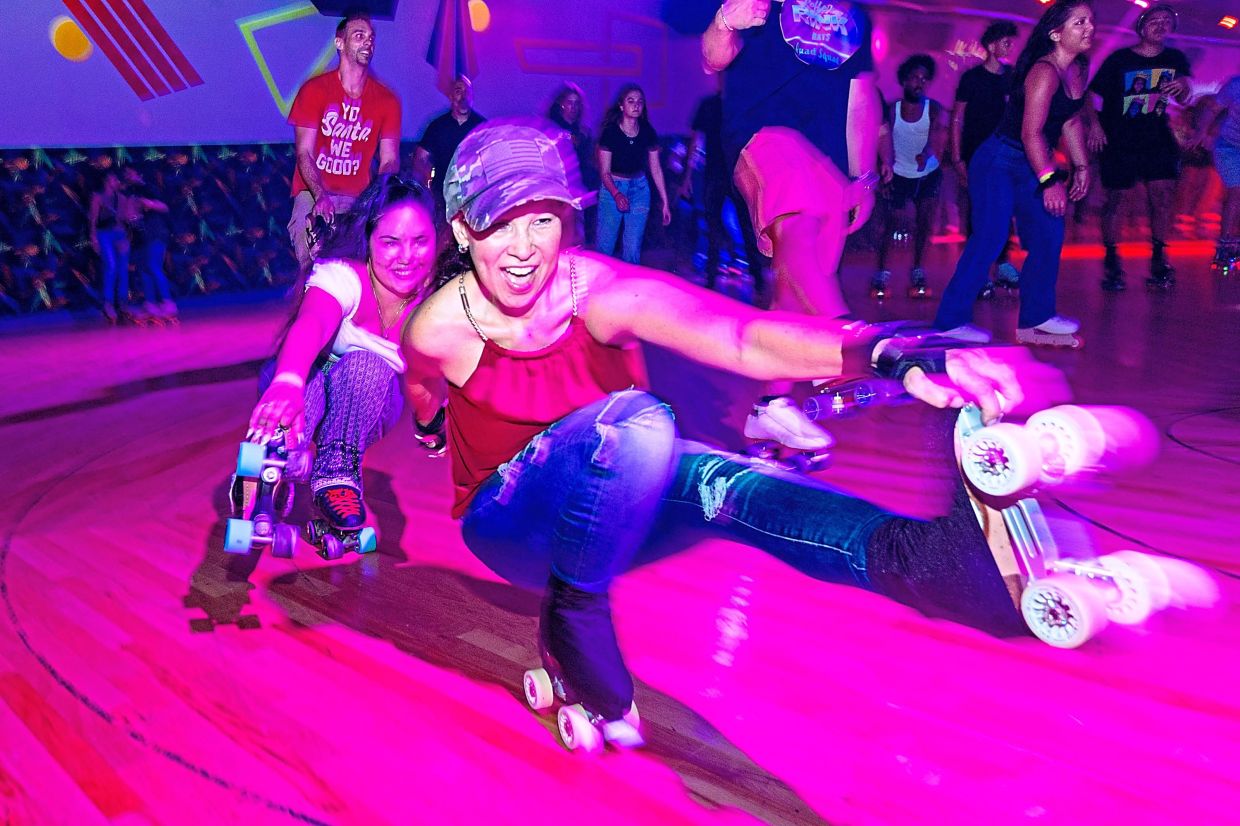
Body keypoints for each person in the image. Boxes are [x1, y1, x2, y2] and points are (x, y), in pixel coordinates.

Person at [398, 119, 1045, 743]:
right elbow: (422, 385)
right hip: (510, 525)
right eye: (499, 224)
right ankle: (574, 613)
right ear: (461, 227)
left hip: (611, 500)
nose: (522, 248)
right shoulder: (438, 327)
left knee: (723, 478)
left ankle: (926, 562)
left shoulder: (598, 291)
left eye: (542, 219)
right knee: (638, 423)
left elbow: (739, 337)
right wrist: (430, 427)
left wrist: (885, 351)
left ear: (567, 223)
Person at [701, 0, 882, 459]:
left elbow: (860, 96)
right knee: (798, 229)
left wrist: (862, 178)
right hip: (762, 135)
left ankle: (770, 406)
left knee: (800, 284)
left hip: (830, 162)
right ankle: (849, 344)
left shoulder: (854, 14)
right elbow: (713, 58)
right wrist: (725, 20)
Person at [247, 175, 436, 531]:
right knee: (312, 373)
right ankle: (282, 456)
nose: (407, 257)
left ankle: (336, 473)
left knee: (367, 364)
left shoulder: (440, 300)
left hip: (367, 407)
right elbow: (312, 325)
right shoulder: (344, 276)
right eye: (391, 242)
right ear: (369, 240)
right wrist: (288, 382)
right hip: (301, 393)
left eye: (420, 242)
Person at [933, 0, 1093, 348]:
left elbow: (1069, 119)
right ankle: (949, 321)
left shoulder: (1076, 68)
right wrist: (1050, 180)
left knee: (1049, 233)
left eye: (1090, 22)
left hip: (1031, 161)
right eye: (1079, 22)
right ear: (1055, 33)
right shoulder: (1044, 71)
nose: (1089, 28)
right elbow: (1030, 132)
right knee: (990, 237)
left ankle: (1036, 319)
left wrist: (1081, 165)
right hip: (999, 161)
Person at [1084, 3, 1191, 290]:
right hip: (1119, 137)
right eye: (1154, 20)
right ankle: (1112, 260)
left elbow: (1185, 95)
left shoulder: (1175, 58)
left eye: (1166, 21)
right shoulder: (1119, 60)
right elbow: (1089, 97)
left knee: (1162, 197)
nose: (1160, 25)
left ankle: (1159, 257)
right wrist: (1094, 126)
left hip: (1156, 136)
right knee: (1117, 200)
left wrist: (1183, 86)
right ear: (1141, 26)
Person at [287, 12, 402, 275]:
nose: (367, 43)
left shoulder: (387, 100)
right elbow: (304, 153)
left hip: (357, 197)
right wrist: (320, 196)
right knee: (312, 264)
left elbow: (389, 159)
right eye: (359, 36)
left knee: (356, 269)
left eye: (371, 38)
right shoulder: (314, 91)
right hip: (314, 191)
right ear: (340, 43)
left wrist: (378, 197)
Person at [952, 21, 1022, 299]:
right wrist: (957, 157)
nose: (1010, 47)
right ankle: (979, 271)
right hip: (975, 154)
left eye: (1011, 42)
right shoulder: (972, 78)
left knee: (1005, 209)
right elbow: (957, 119)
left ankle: (1003, 264)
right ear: (992, 46)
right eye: (1006, 42)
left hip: (1007, 154)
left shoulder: (1014, 77)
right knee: (979, 212)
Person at [874, 55, 947, 300]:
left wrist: (926, 153)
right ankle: (882, 271)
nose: (920, 83)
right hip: (899, 174)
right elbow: (881, 139)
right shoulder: (892, 109)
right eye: (915, 78)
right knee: (891, 223)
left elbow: (938, 136)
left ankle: (917, 270)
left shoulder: (933, 109)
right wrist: (883, 171)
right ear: (904, 80)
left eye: (924, 79)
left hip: (927, 174)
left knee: (924, 224)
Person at [595, 83, 672, 264]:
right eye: (631, 101)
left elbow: (656, 168)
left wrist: (665, 201)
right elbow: (604, 172)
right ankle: (599, 289)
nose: (636, 105)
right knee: (605, 246)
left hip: (639, 188)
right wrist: (617, 194)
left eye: (640, 102)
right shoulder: (610, 133)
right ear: (622, 106)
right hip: (612, 188)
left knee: (632, 247)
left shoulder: (647, 131)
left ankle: (628, 290)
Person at [413, 76, 486, 229]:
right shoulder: (438, 126)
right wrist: (424, 187)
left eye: (468, 92)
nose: (464, 96)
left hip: (473, 198)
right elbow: (420, 159)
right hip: (441, 198)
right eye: (459, 91)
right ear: (451, 96)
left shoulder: (482, 128)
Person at [1189, 74, 1240, 275]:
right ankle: (1225, 245)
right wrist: (1201, 132)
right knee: (1236, 191)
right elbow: (1212, 109)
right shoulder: (1236, 85)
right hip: (1228, 147)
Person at [123, 166, 177, 322]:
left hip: (156, 233)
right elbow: (130, 217)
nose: (127, 175)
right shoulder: (131, 192)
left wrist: (150, 203)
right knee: (144, 270)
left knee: (153, 267)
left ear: (139, 174)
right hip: (141, 236)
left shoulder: (147, 188)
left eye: (130, 172)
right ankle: (150, 304)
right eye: (126, 173)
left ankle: (168, 303)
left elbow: (164, 207)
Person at [547, 82, 599, 245]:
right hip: (557, 189)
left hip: (578, 190)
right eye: (570, 102)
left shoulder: (583, 132)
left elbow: (589, 162)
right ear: (561, 104)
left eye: (577, 103)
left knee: (578, 233)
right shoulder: (551, 127)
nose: (573, 107)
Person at [89, 169, 132, 324]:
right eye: (114, 180)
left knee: (122, 268)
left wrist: (126, 238)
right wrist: (93, 237)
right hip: (104, 234)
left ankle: (123, 303)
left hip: (119, 233)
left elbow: (124, 220)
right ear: (107, 180)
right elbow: (93, 218)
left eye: (117, 180)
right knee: (111, 266)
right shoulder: (98, 197)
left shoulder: (121, 198)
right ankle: (107, 303)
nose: (117, 182)